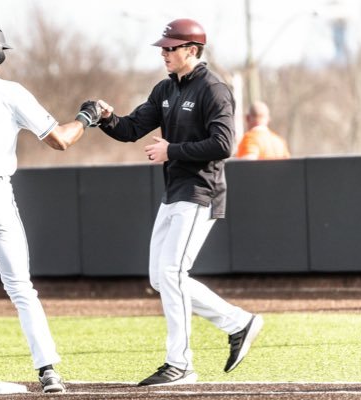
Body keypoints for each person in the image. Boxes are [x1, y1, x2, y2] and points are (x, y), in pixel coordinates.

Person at [92, 18, 263, 386]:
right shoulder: (165, 89)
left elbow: (223, 145)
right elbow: (131, 129)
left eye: (171, 48)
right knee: (161, 277)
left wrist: (172, 150)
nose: (164, 53)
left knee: (170, 274)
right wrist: (107, 118)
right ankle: (239, 323)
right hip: (174, 192)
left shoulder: (213, 89)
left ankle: (180, 363)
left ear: (192, 50)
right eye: (164, 48)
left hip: (201, 191)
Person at [0, 21, 101, 393]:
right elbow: (61, 141)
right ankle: (48, 370)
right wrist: (87, 116)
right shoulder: (10, 91)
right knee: (20, 288)